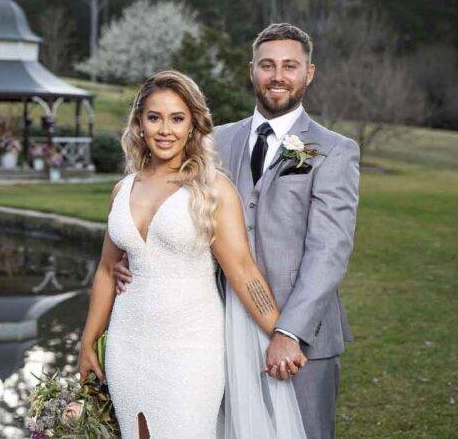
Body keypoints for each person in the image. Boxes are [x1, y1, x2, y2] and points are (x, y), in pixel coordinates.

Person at [113, 23, 361, 439]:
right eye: (267, 65)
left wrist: (288, 332)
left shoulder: (334, 150)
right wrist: (138, 258)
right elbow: (172, 207)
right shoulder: (213, 142)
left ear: (309, 73)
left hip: (300, 334)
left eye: (289, 66)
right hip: (216, 331)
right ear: (252, 71)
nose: (277, 76)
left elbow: (329, 253)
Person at [78, 70, 306, 438]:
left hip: (191, 349)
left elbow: (244, 272)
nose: (165, 130)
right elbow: (106, 270)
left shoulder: (212, 189)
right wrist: (88, 342)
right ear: (139, 124)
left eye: (177, 119)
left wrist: (283, 334)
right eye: (155, 118)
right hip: (127, 344)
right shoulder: (122, 189)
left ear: (192, 126)